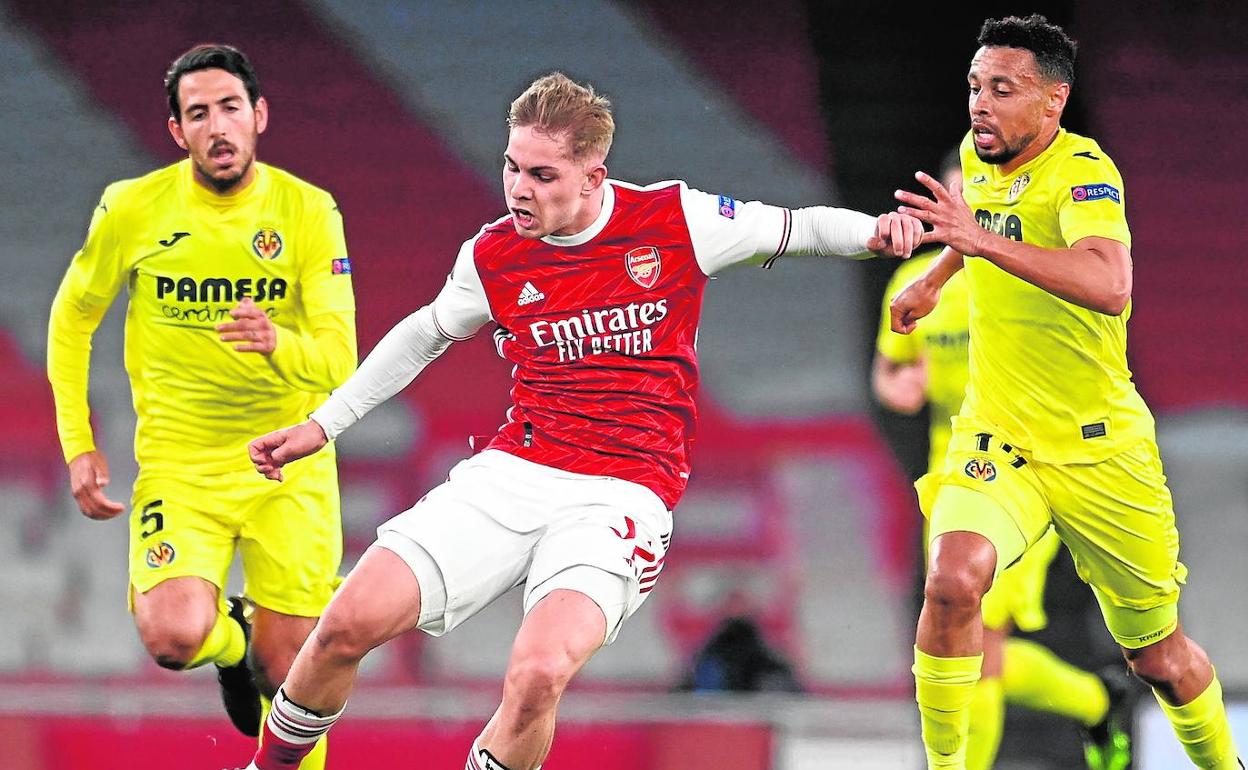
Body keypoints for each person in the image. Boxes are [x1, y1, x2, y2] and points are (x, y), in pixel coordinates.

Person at [236, 72, 921, 770]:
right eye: (512, 167)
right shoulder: (494, 255)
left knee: (536, 676)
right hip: (517, 469)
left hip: (621, 494)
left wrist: (878, 232)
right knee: (341, 629)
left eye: (541, 173)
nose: (518, 189)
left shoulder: (675, 221)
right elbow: (423, 334)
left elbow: (800, 227)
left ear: (593, 177)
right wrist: (323, 425)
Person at [892, 15, 1242, 770]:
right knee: (953, 584)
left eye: (1002, 89)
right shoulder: (977, 158)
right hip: (999, 435)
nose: (979, 104)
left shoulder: (1085, 173)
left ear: (1053, 102)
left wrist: (975, 242)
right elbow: (982, 219)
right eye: (974, 87)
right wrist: (933, 279)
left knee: (1160, 660)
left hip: (1098, 449)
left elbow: (1109, 285)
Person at [47, 44, 355, 770]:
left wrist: (277, 340)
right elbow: (72, 318)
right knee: (173, 637)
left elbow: (341, 360)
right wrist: (77, 441)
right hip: (182, 466)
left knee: (294, 681)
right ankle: (233, 641)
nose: (217, 126)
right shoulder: (134, 208)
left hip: (288, 466)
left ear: (260, 116)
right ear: (176, 131)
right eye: (198, 114)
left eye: (230, 108)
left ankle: (263, 664)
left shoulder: (309, 212)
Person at [878, 150, 1136, 770]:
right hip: (951, 483)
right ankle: (1096, 700)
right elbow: (889, 368)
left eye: (981, 195)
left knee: (981, 641)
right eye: (958, 194)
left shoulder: (1031, 276)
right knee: (964, 640)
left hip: (1025, 475)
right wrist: (897, 389)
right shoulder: (917, 282)